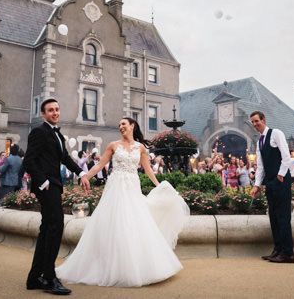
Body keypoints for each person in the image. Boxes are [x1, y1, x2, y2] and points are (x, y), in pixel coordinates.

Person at [56, 117, 189, 287]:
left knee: (134, 224)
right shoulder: (113, 145)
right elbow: (99, 165)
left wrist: (160, 186)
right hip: (115, 189)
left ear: (132, 126)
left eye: (123, 124)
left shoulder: (140, 148)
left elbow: (148, 170)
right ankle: (108, 266)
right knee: (113, 223)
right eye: (119, 125)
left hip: (132, 188)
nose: (120, 127)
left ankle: (137, 266)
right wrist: (85, 177)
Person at [23, 98, 89, 294]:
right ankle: (50, 278)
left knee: (48, 229)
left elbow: (65, 159)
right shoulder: (39, 132)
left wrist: (81, 173)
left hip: (54, 186)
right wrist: (43, 182)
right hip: (46, 186)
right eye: (50, 110)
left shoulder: (57, 136)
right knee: (55, 227)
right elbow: (29, 161)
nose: (55, 113)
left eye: (57, 109)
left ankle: (34, 277)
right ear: (43, 114)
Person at [250, 110, 294, 264]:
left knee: (283, 217)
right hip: (269, 181)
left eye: (257, 121)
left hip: (280, 180)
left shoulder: (276, 133)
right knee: (274, 217)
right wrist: (256, 185)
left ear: (263, 120)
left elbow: (286, 156)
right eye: (253, 122)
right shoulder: (259, 142)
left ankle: (288, 253)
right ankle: (278, 249)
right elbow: (261, 166)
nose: (255, 124)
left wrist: (281, 175)